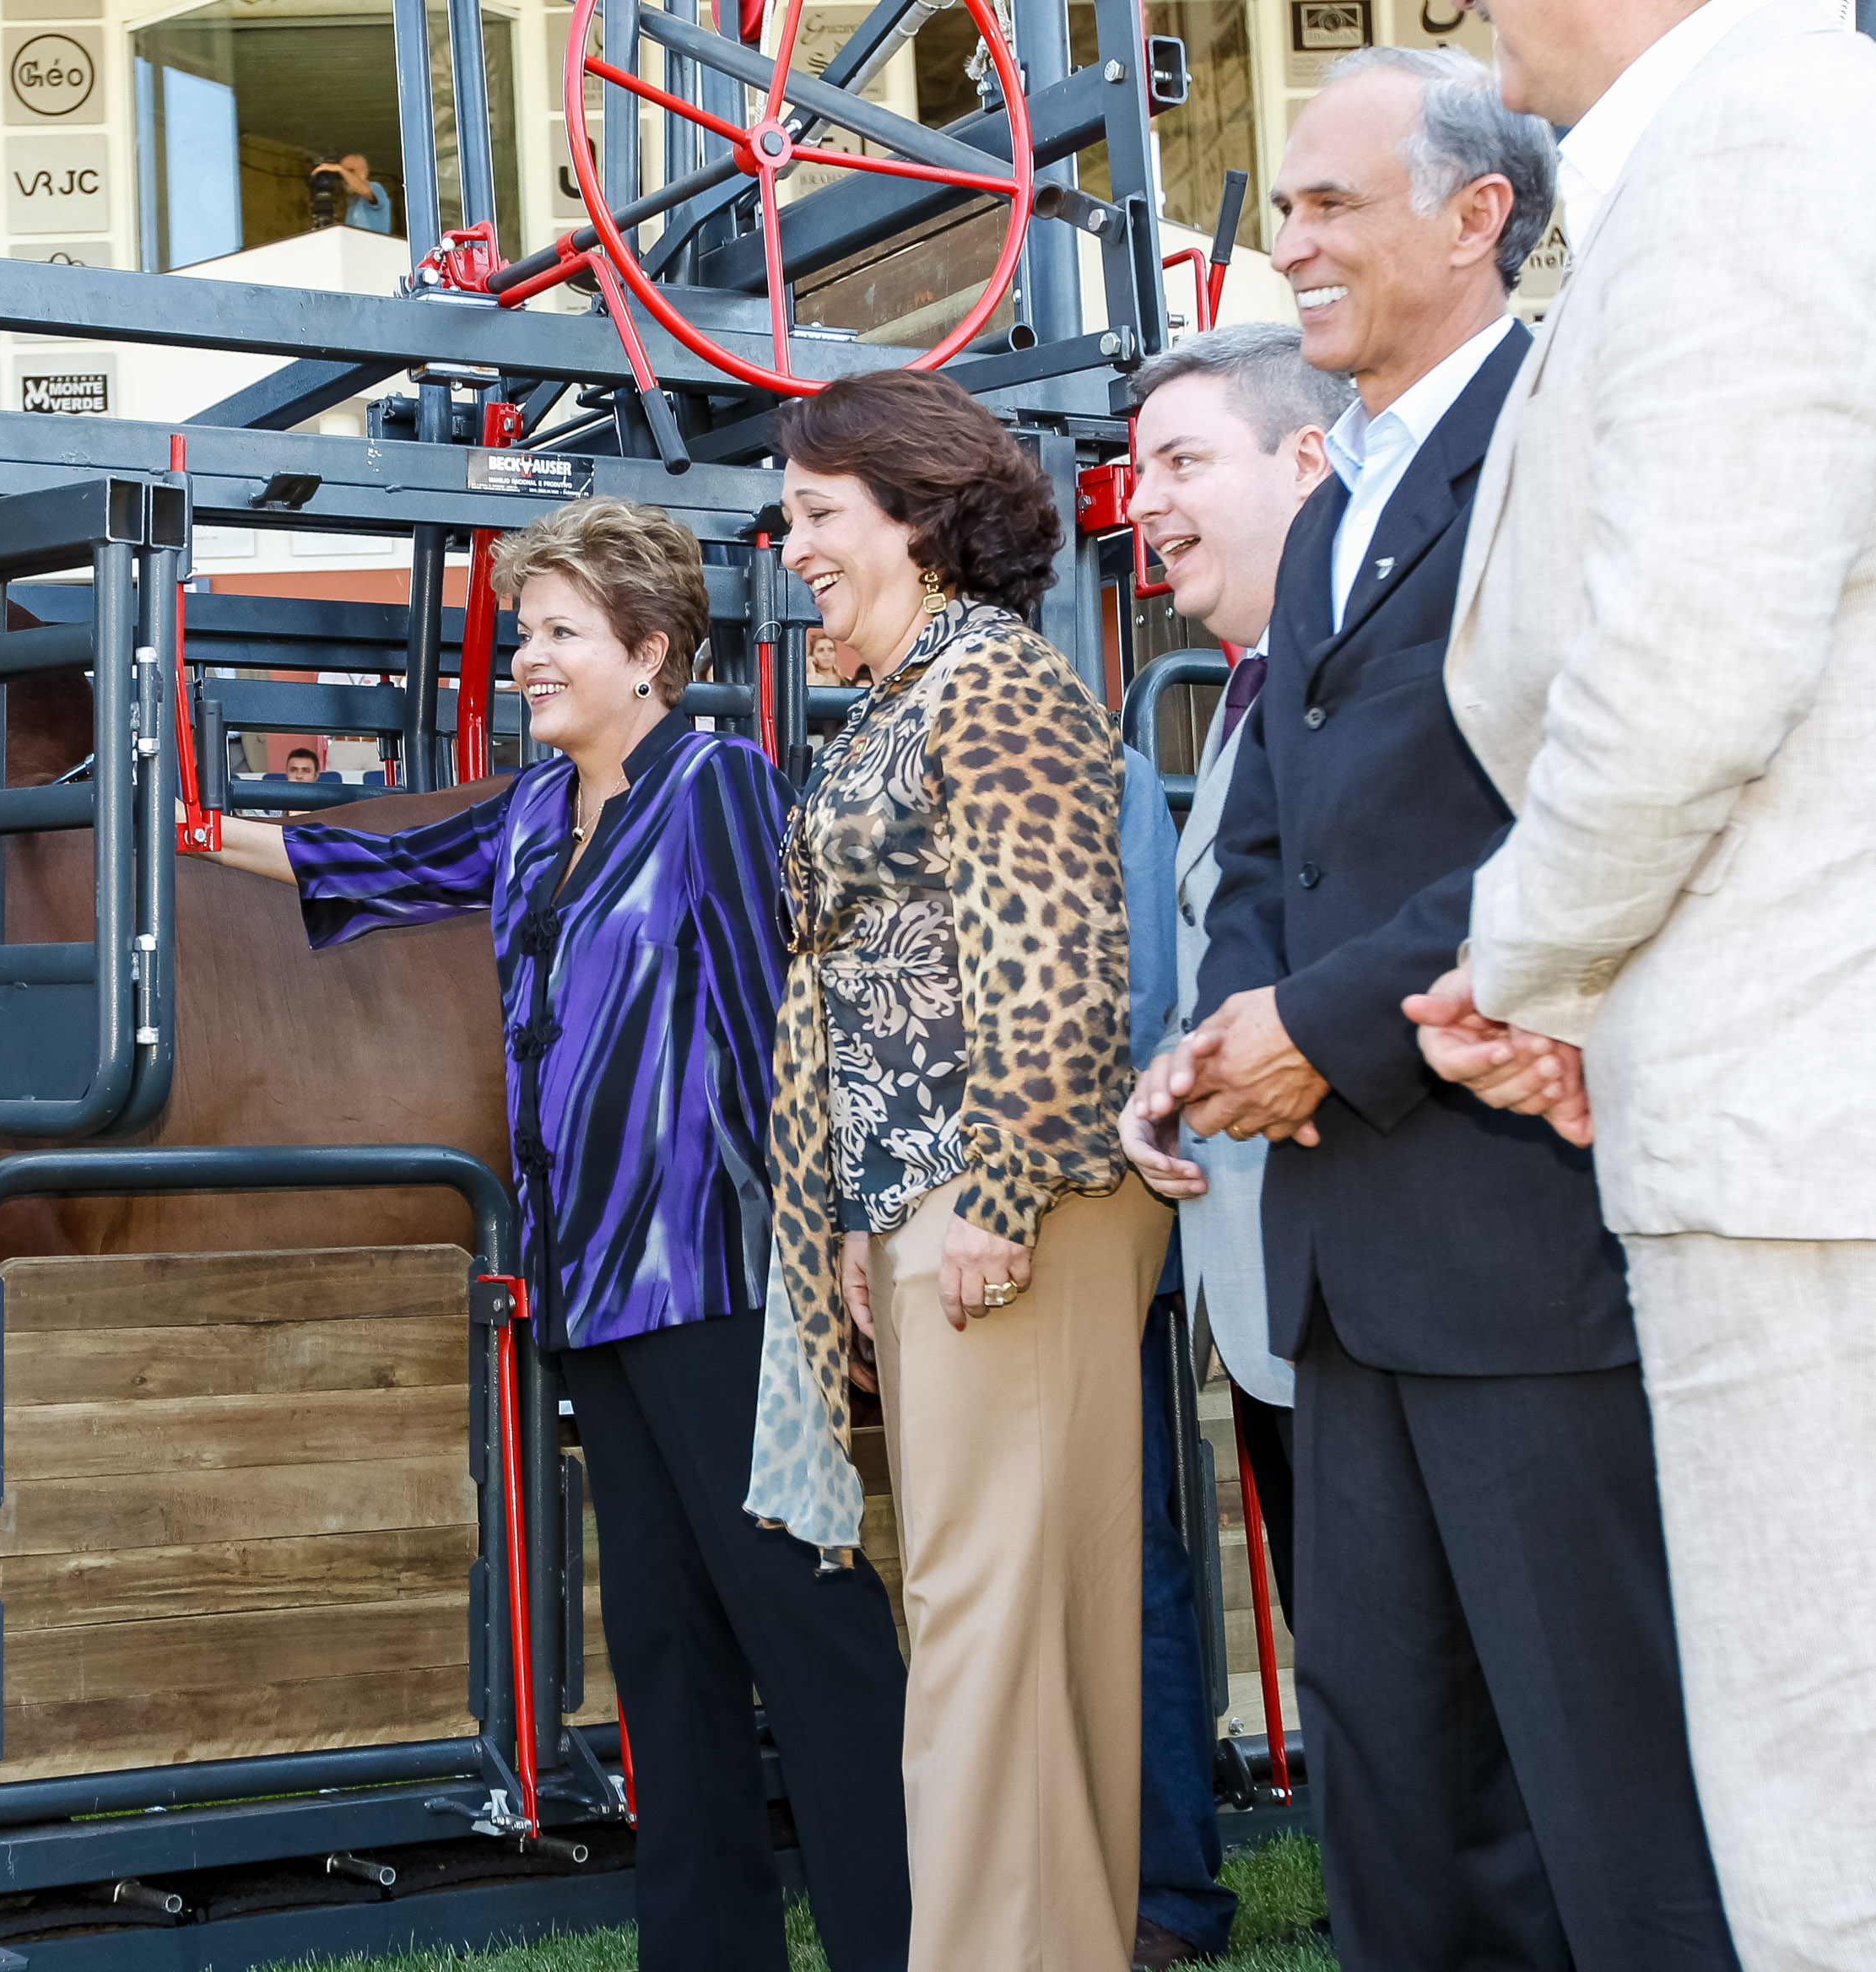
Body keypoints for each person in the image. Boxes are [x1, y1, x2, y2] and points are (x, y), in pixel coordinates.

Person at [1140, 48, 1734, 1970]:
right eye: (1284, 205)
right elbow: (1267, 847)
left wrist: (1322, 1024)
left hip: (1516, 1235)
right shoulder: (1324, 519)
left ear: (1477, 216)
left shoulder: (1566, 440)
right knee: (1393, 1785)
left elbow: (1579, 796)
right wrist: (1230, 1024)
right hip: (1337, 1256)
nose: (1287, 236)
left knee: (1597, 1782)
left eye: (1325, 201)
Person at [190, 495, 912, 1972]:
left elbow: (805, 1008)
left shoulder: (717, 788)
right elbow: (371, 873)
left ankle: (902, 1942)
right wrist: (198, 828)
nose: (529, 656)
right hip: (592, 1290)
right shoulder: (530, 813)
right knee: (662, 1644)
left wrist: (836, 1237)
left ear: (649, 651)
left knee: (806, 1629)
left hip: (716, 1272)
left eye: (559, 631)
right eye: (527, 629)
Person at [1408, 6, 1876, 1965]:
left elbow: (1681, 662)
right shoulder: (1698, 162)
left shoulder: (1749, 146)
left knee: (1823, 1812)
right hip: (1768, 1100)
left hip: (1796, 1126)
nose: (1447, 9)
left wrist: (1525, 967)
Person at [744, 367, 1162, 1972]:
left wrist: (990, 1194)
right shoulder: (907, 690)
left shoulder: (992, 685)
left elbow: (1057, 955)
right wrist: (870, 1212)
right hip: (932, 1196)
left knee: (990, 1630)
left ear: (916, 518)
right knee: (987, 1624)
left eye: (817, 513)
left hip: (1017, 1196)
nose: (792, 544)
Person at [1113, 323, 1349, 1969]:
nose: (1144, 503)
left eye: (1183, 461)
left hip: (1363, 1277)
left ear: (1305, 464)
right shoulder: (1249, 700)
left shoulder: (1340, 689)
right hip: (1271, 1294)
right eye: (1139, 470)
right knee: (1348, 1650)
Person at [310, 154, 392, 234]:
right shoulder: (352, 200)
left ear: (366, 171)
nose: (346, 176)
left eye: (351, 171)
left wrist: (340, 169)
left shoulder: (375, 187)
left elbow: (366, 191)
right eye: (343, 174)